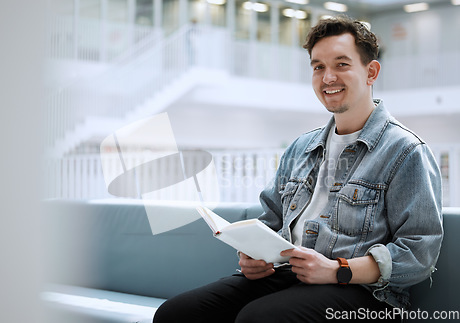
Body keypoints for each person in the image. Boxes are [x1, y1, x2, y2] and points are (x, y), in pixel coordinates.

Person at [153, 15, 443, 322]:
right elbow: (270, 220)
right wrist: (252, 257)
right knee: (176, 313)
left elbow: (419, 253)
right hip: (288, 277)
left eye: (341, 64)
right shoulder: (300, 148)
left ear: (371, 72)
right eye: (318, 67)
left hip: (363, 294)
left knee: (258, 318)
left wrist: (337, 270)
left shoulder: (405, 150)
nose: (327, 77)